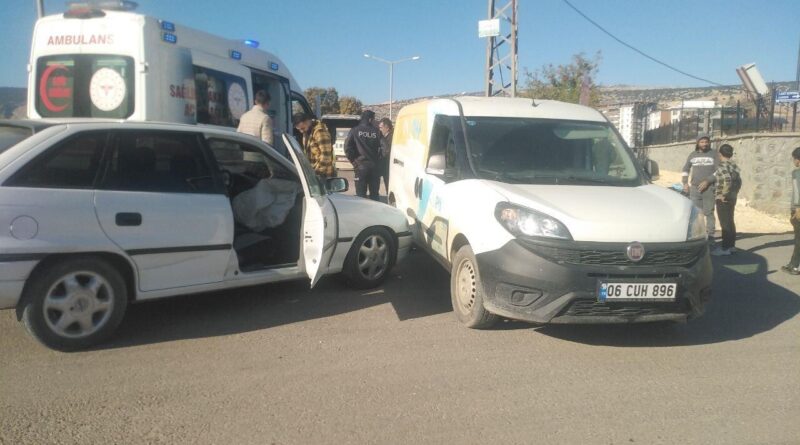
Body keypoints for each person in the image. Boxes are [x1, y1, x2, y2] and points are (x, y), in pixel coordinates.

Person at [682, 134, 718, 240]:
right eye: (702, 142)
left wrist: (708, 181)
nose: (705, 144)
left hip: (709, 188)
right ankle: (698, 236)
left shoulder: (714, 154)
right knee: (696, 213)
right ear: (698, 143)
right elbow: (685, 169)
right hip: (694, 189)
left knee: (709, 212)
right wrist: (685, 183)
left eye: (706, 142)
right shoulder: (692, 155)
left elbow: (719, 170)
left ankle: (711, 237)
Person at [708, 144, 741, 256]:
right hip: (732, 197)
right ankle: (731, 246)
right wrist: (733, 194)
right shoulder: (734, 165)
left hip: (723, 198)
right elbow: (738, 182)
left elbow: (727, 180)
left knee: (725, 224)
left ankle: (725, 248)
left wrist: (724, 195)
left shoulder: (722, 166)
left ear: (720, 154)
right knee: (730, 221)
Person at [345, 110, 382, 200]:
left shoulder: (355, 131)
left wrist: (354, 162)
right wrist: (379, 161)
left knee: (360, 196)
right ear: (370, 119)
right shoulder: (377, 132)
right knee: (374, 195)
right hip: (374, 168)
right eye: (374, 119)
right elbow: (385, 149)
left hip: (360, 167)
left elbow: (347, 148)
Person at [291, 113, 335, 178]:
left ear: (307, 121)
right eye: (299, 130)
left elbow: (326, 156)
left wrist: (316, 173)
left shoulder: (320, 132)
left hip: (323, 175)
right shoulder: (307, 133)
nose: (301, 131)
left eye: (302, 128)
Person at [782, 146, 800, 274]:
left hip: (798, 209)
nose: (794, 161)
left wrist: (798, 208)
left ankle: (795, 266)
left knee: (798, 239)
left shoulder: (796, 173)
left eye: (794, 159)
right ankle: (793, 263)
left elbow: (798, 191)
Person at [378, 117, 394, 192]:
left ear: (387, 127)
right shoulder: (385, 137)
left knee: (390, 187)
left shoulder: (392, 137)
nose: (379, 130)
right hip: (386, 166)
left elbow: (388, 151)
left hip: (389, 166)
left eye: (381, 127)